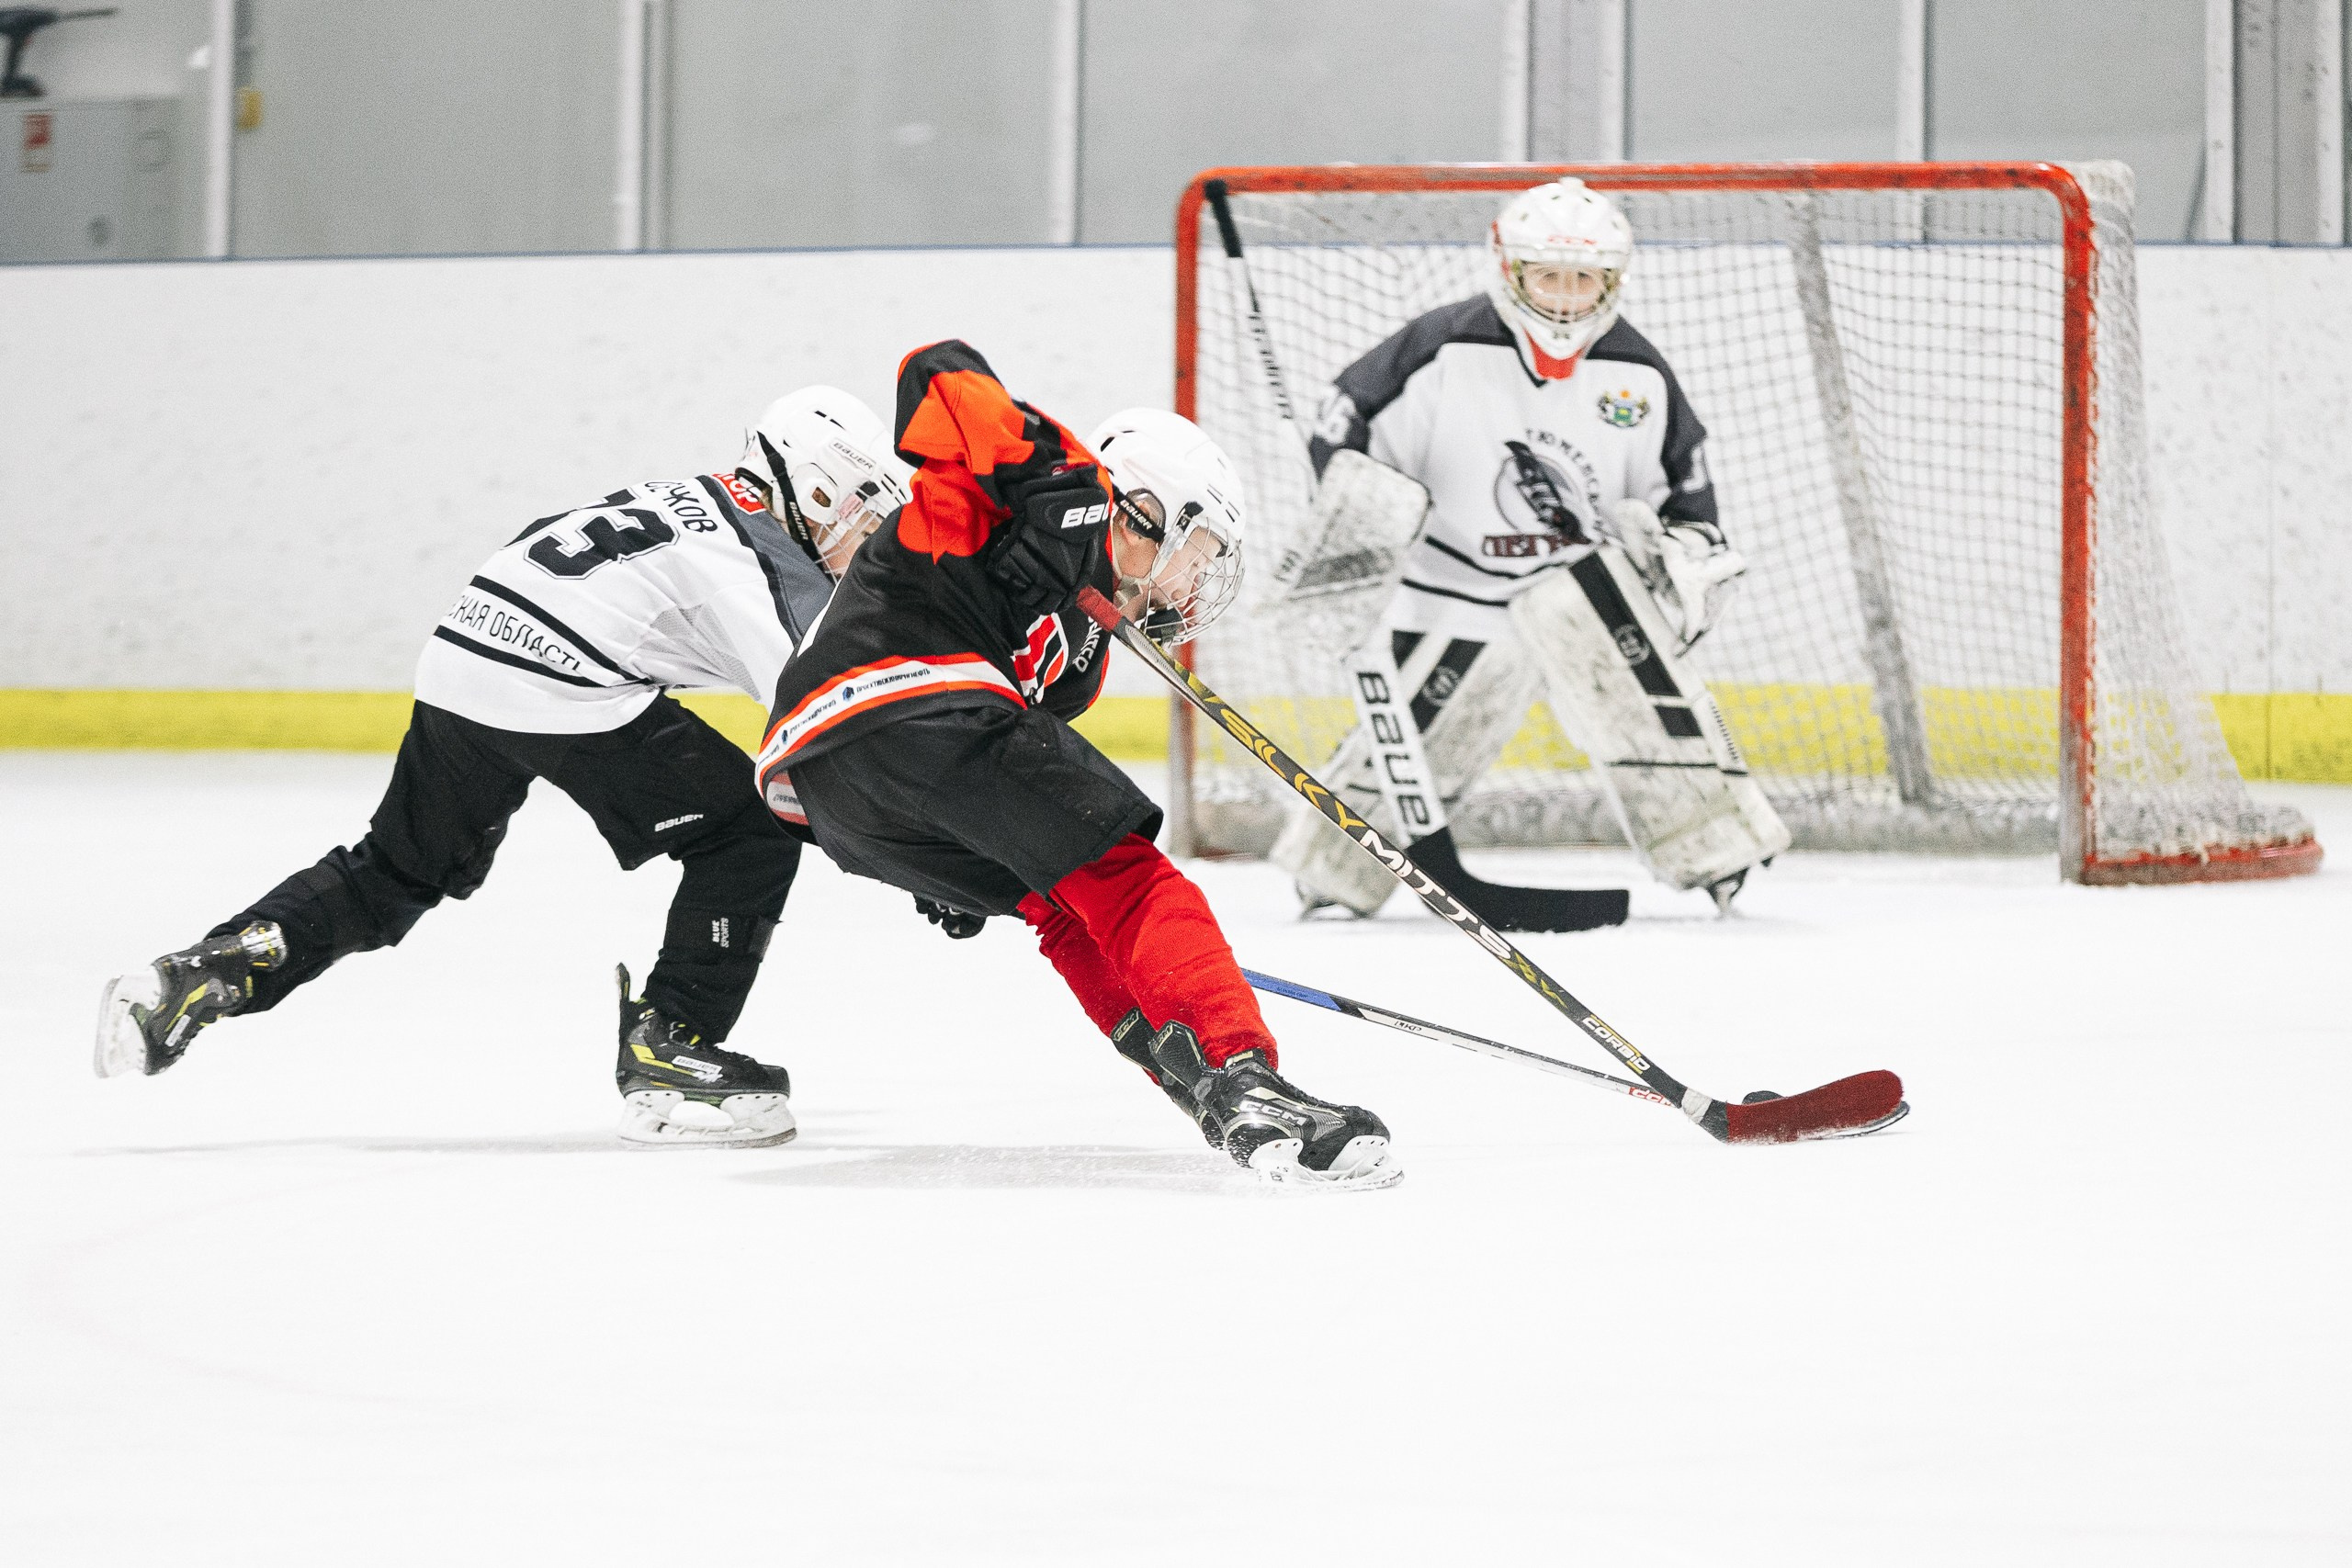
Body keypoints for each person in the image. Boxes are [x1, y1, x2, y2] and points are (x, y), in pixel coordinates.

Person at [96, 388, 910, 1150]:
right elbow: (831, 729)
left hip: (463, 654)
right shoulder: (761, 563)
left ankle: (206, 971)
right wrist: (933, 865)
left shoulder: (682, 498)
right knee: (751, 826)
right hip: (557, 679)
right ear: (814, 490)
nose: (869, 535)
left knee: (397, 869)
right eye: (864, 508)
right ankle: (672, 1044)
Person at [754, 341, 1400, 1189]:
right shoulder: (1058, 484)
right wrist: (1046, 484)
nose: (1189, 585)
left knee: (1068, 902)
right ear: (1149, 507)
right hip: (908, 695)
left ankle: (1202, 1077)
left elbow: (1024, 811)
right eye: (1196, 551)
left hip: (832, 791)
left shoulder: (1080, 655)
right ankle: (1249, 1076)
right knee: (1138, 883)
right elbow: (934, 369)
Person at [1272, 175, 1788, 922]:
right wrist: (1360, 508)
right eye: (1548, 275)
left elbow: (1689, 491)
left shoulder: (1639, 374)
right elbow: (1341, 420)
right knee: (1426, 722)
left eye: (1585, 279)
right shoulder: (1442, 348)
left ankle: (1712, 845)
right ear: (1508, 268)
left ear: (1613, 280)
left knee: (1633, 670)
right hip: (1448, 584)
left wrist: (1686, 552)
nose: (1565, 297)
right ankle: (1336, 867)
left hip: (1575, 586)